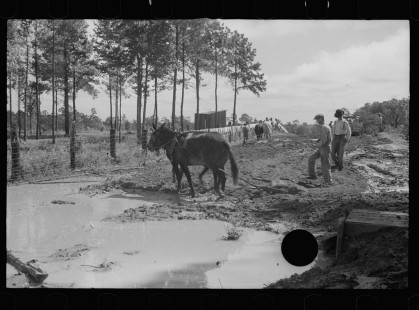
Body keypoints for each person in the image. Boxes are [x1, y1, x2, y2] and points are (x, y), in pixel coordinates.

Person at [307, 114, 333, 185]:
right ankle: (312, 175)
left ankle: (328, 181)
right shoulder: (325, 126)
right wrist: (316, 140)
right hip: (323, 147)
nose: (316, 121)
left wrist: (316, 145)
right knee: (311, 159)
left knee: (325, 165)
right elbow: (323, 138)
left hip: (325, 148)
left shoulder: (324, 127)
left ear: (321, 119)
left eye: (317, 119)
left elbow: (324, 141)